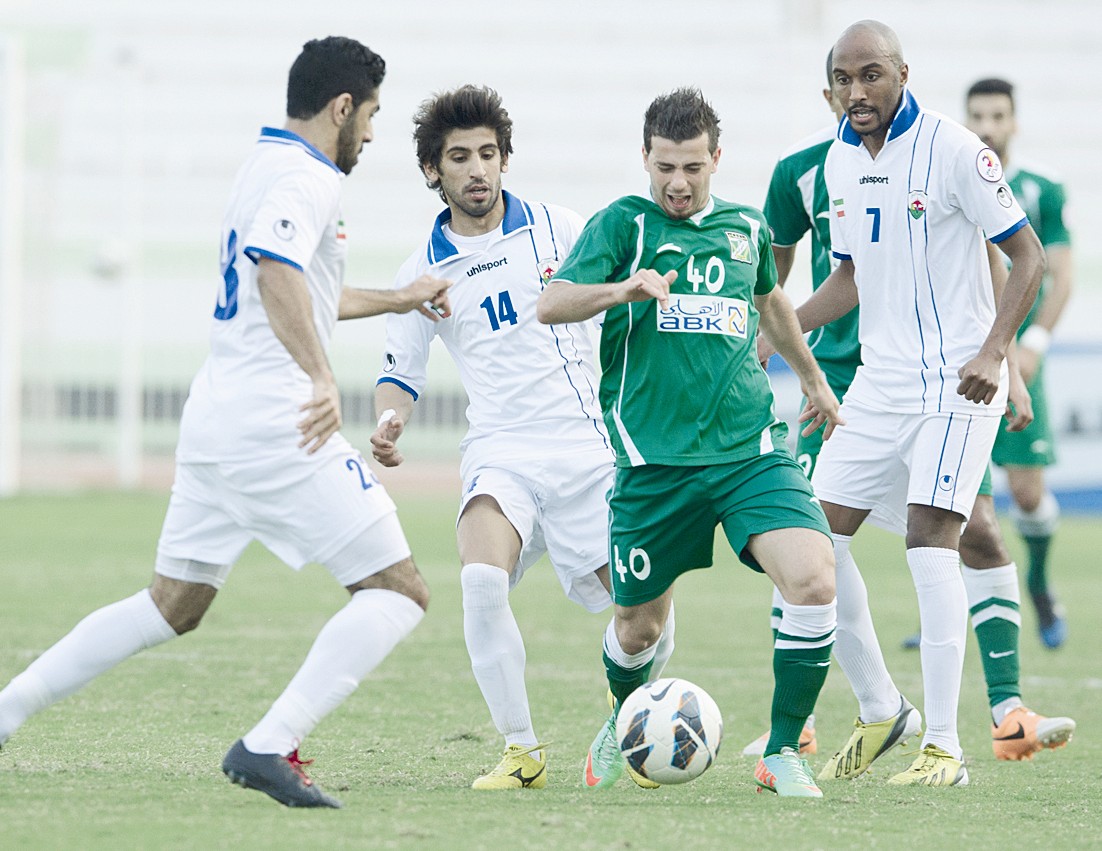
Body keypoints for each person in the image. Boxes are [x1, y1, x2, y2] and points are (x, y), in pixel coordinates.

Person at [0, 37, 452, 809]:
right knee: (399, 589)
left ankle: (5, 710)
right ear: (342, 107)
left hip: (217, 417)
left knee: (171, 603)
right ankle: (268, 744)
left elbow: (300, 286)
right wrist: (319, 376)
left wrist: (400, 296)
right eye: (371, 115)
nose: (372, 135)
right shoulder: (307, 176)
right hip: (276, 424)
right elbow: (277, 270)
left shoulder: (264, 164)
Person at [747, 54, 1076, 764]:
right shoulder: (835, 164)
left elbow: (1028, 257)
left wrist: (997, 354)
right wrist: (781, 333)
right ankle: (883, 707)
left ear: (902, 73)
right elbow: (852, 276)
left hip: (958, 383)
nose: (858, 91)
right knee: (814, 539)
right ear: (829, 88)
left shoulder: (956, 149)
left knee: (937, 535)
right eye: (845, 78)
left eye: (872, 75)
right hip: (877, 385)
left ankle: (946, 745)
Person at [537, 88, 843, 798]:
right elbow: (551, 302)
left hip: (748, 449)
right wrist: (623, 291)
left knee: (814, 578)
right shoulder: (623, 225)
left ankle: (780, 748)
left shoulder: (746, 227)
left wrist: (815, 382)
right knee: (638, 628)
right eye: (665, 166)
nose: (678, 182)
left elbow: (772, 303)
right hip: (655, 462)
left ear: (717, 160)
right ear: (645, 157)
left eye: (693, 168)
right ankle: (623, 719)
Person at [369, 85, 674, 791]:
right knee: (480, 576)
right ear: (432, 171)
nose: (476, 169)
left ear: (505, 159)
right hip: (501, 449)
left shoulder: (562, 229)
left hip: (589, 450)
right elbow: (398, 372)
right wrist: (390, 420)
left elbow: (623, 299)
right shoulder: (424, 272)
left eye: (487, 154)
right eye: (458, 158)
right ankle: (521, 749)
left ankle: (629, 714)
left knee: (646, 618)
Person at [966, 77, 1074, 649]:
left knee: (1028, 494)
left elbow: (1061, 274)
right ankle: (957, 605)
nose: (987, 126)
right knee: (955, 496)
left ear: (1014, 121)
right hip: (964, 357)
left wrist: (1034, 344)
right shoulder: (951, 178)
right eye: (977, 116)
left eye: (997, 116)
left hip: (1021, 358)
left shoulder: (1040, 189)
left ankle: (1037, 583)